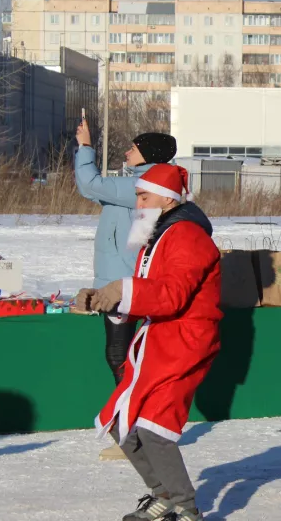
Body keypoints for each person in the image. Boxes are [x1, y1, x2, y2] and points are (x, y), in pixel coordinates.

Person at [77, 163, 221, 521]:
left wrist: (120, 292)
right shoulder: (159, 234)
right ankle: (163, 495)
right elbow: (148, 291)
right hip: (158, 340)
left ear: (167, 198)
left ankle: (186, 508)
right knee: (119, 422)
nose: (138, 203)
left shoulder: (187, 236)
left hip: (184, 343)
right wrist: (103, 298)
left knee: (153, 428)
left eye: (144, 196)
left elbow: (171, 295)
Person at [74, 115, 177, 461]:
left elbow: (89, 184)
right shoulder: (141, 185)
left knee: (121, 358)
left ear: (148, 155)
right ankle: (134, 430)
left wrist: (86, 146)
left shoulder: (140, 187)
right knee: (123, 357)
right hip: (122, 285)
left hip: (125, 289)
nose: (126, 151)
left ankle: (131, 434)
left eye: (133, 147)